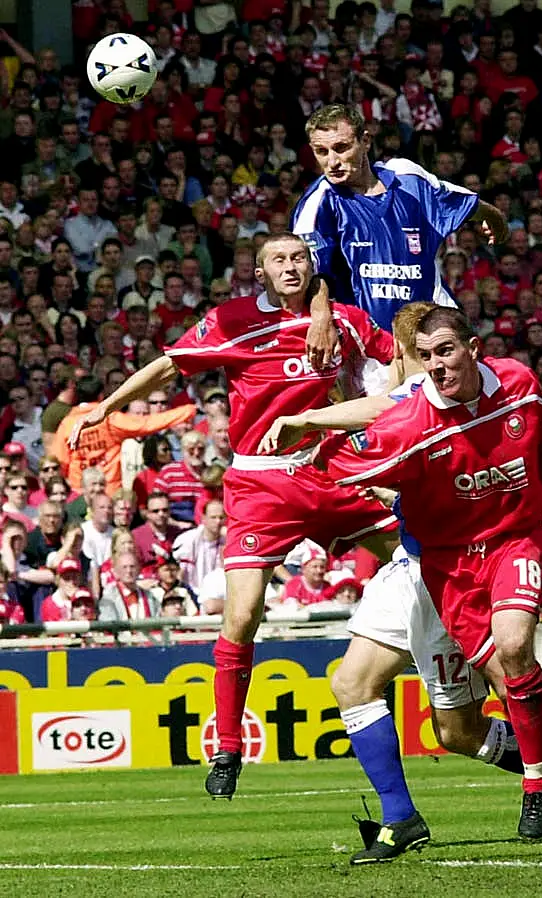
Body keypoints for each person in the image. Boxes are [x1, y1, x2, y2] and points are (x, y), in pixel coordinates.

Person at [279, 304, 542, 854]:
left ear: (470, 347)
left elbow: (536, 454)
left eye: (439, 351)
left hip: (487, 550)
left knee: (467, 721)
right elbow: (373, 426)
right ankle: (404, 817)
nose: (426, 366)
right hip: (421, 565)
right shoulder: (405, 407)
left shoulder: (498, 387)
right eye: (415, 354)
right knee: (352, 684)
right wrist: (302, 436)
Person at [68, 232, 398, 801]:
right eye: (277, 261)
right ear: (260, 273)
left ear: (310, 266)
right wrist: (105, 408)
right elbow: (168, 367)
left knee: (424, 562)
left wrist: (380, 417)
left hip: (330, 466)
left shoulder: (343, 319)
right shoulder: (233, 320)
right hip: (261, 481)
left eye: (298, 258)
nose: (289, 267)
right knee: (242, 617)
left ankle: (464, 685)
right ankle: (226, 746)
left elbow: (400, 366)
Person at [291, 104, 508, 344]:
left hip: (436, 329)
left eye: (341, 148)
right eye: (321, 151)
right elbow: (311, 272)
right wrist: (321, 319)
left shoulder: (406, 177)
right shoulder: (317, 202)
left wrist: (495, 218)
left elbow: (460, 201)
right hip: (370, 348)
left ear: (365, 141)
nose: (332, 161)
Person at [51, 374, 197, 495]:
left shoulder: (67, 424)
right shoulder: (110, 418)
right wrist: (189, 410)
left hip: (80, 492)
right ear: (101, 395)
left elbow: (60, 461)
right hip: (110, 492)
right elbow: (146, 424)